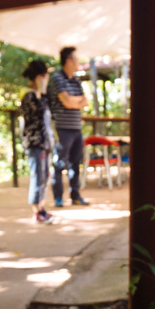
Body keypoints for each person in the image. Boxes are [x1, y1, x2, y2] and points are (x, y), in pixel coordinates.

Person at [47, 45, 90, 208]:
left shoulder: (76, 80)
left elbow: (85, 102)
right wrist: (74, 101)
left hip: (76, 128)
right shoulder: (57, 78)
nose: (78, 62)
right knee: (59, 163)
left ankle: (75, 195)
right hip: (61, 129)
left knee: (75, 163)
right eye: (76, 58)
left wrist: (75, 101)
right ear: (68, 60)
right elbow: (66, 101)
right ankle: (58, 197)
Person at [19, 59, 56, 224]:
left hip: (46, 142)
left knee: (45, 176)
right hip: (35, 143)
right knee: (38, 177)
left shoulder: (42, 96)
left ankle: (42, 207)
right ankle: (36, 211)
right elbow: (38, 113)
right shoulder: (28, 96)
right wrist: (40, 91)